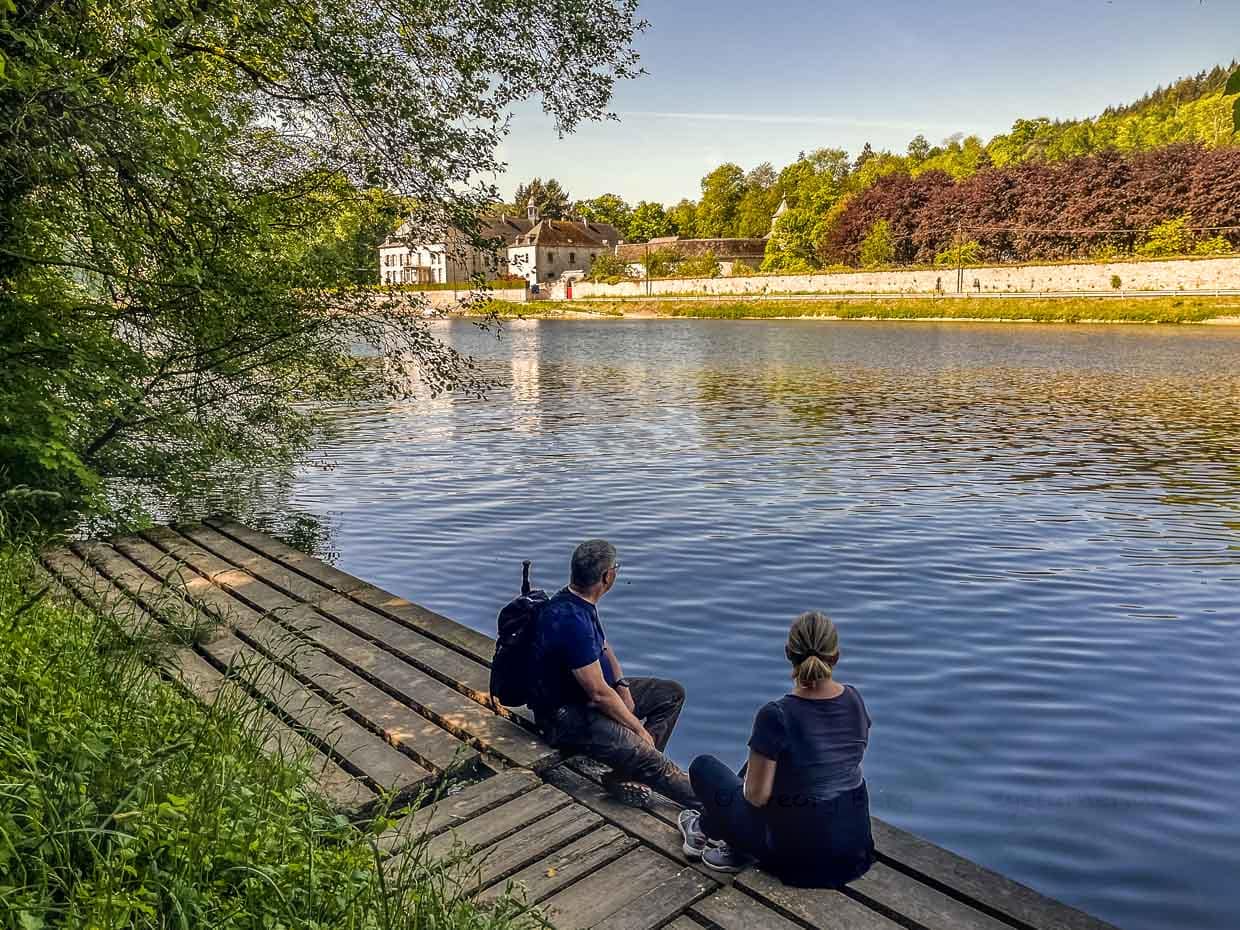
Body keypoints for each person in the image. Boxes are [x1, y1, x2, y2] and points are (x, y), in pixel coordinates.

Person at [678, 611, 874, 885]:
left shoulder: (777, 715)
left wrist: (738, 792)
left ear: (787, 653)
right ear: (836, 656)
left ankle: (706, 828)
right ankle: (713, 830)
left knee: (705, 767)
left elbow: (756, 798)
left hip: (797, 858)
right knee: (763, 764)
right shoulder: (854, 698)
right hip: (854, 851)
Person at [530, 539, 697, 809]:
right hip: (568, 718)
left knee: (671, 693)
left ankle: (627, 775)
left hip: (592, 700)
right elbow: (597, 693)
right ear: (608, 576)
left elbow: (604, 647)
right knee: (652, 757)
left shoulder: (576, 602)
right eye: (615, 568)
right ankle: (719, 809)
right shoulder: (571, 621)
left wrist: (622, 686)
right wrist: (637, 728)